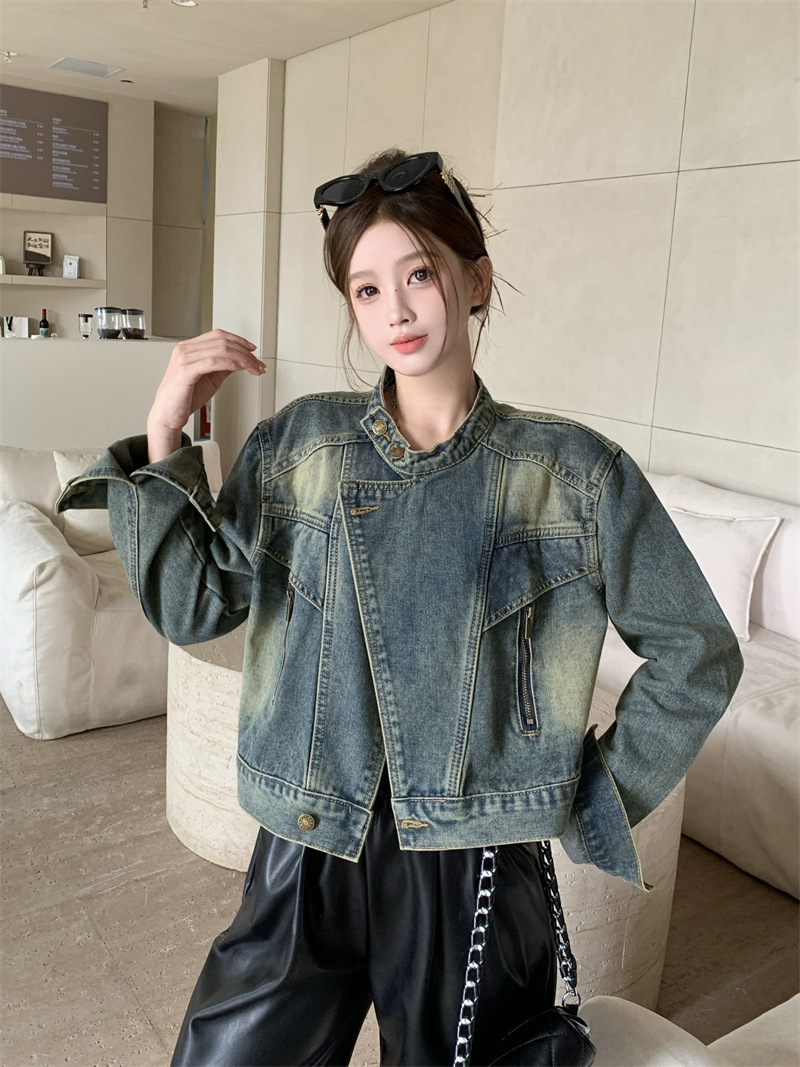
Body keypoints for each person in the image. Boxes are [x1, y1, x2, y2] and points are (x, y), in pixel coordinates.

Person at [55, 148, 744, 1067]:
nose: (397, 311)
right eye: (367, 289)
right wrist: (164, 429)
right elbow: (193, 607)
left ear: (476, 280)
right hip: (309, 841)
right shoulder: (300, 445)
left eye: (419, 274)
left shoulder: (573, 472)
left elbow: (698, 650)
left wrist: (591, 796)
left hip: (477, 863)